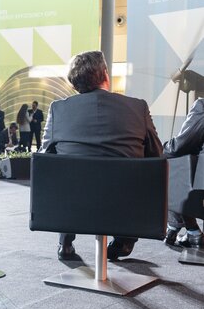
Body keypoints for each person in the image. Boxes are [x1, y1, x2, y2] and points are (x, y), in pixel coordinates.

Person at [40, 50, 162, 262]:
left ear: (74, 83)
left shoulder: (58, 109)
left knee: (65, 174)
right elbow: (156, 153)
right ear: (105, 74)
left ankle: (65, 241)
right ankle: (124, 241)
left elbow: (45, 157)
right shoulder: (137, 107)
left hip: (73, 206)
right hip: (125, 205)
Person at [162, 98, 204, 248]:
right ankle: (187, 230)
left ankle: (185, 228)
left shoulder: (202, 106)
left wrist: (160, 149)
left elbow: (180, 146)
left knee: (172, 160)